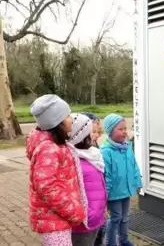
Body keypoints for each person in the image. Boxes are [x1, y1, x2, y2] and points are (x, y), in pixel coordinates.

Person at [26, 95, 85, 245]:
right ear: (57, 122)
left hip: (59, 218)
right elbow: (46, 188)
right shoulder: (48, 149)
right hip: (55, 221)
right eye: (67, 116)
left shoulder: (56, 146)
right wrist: (73, 210)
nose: (71, 119)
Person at [101, 114, 142, 246]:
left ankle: (124, 240)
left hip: (126, 189)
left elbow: (134, 166)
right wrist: (105, 195)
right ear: (110, 131)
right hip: (114, 192)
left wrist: (137, 182)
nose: (125, 132)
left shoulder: (127, 147)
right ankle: (110, 243)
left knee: (124, 217)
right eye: (120, 129)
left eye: (125, 128)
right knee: (115, 218)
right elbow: (105, 175)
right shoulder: (106, 151)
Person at [69, 113, 107, 246]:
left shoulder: (93, 155)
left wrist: (101, 209)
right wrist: (86, 215)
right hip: (83, 223)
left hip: (97, 216)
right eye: (91, 132)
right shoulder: (72, 160)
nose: (96, 135)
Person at [81, 112, 106, 246]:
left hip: (99, 208)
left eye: (98, 131)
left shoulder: (95, 150)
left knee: (100, 236)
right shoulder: (78, 155)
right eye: (93, 131)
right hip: (88, 213)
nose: (98, 135)